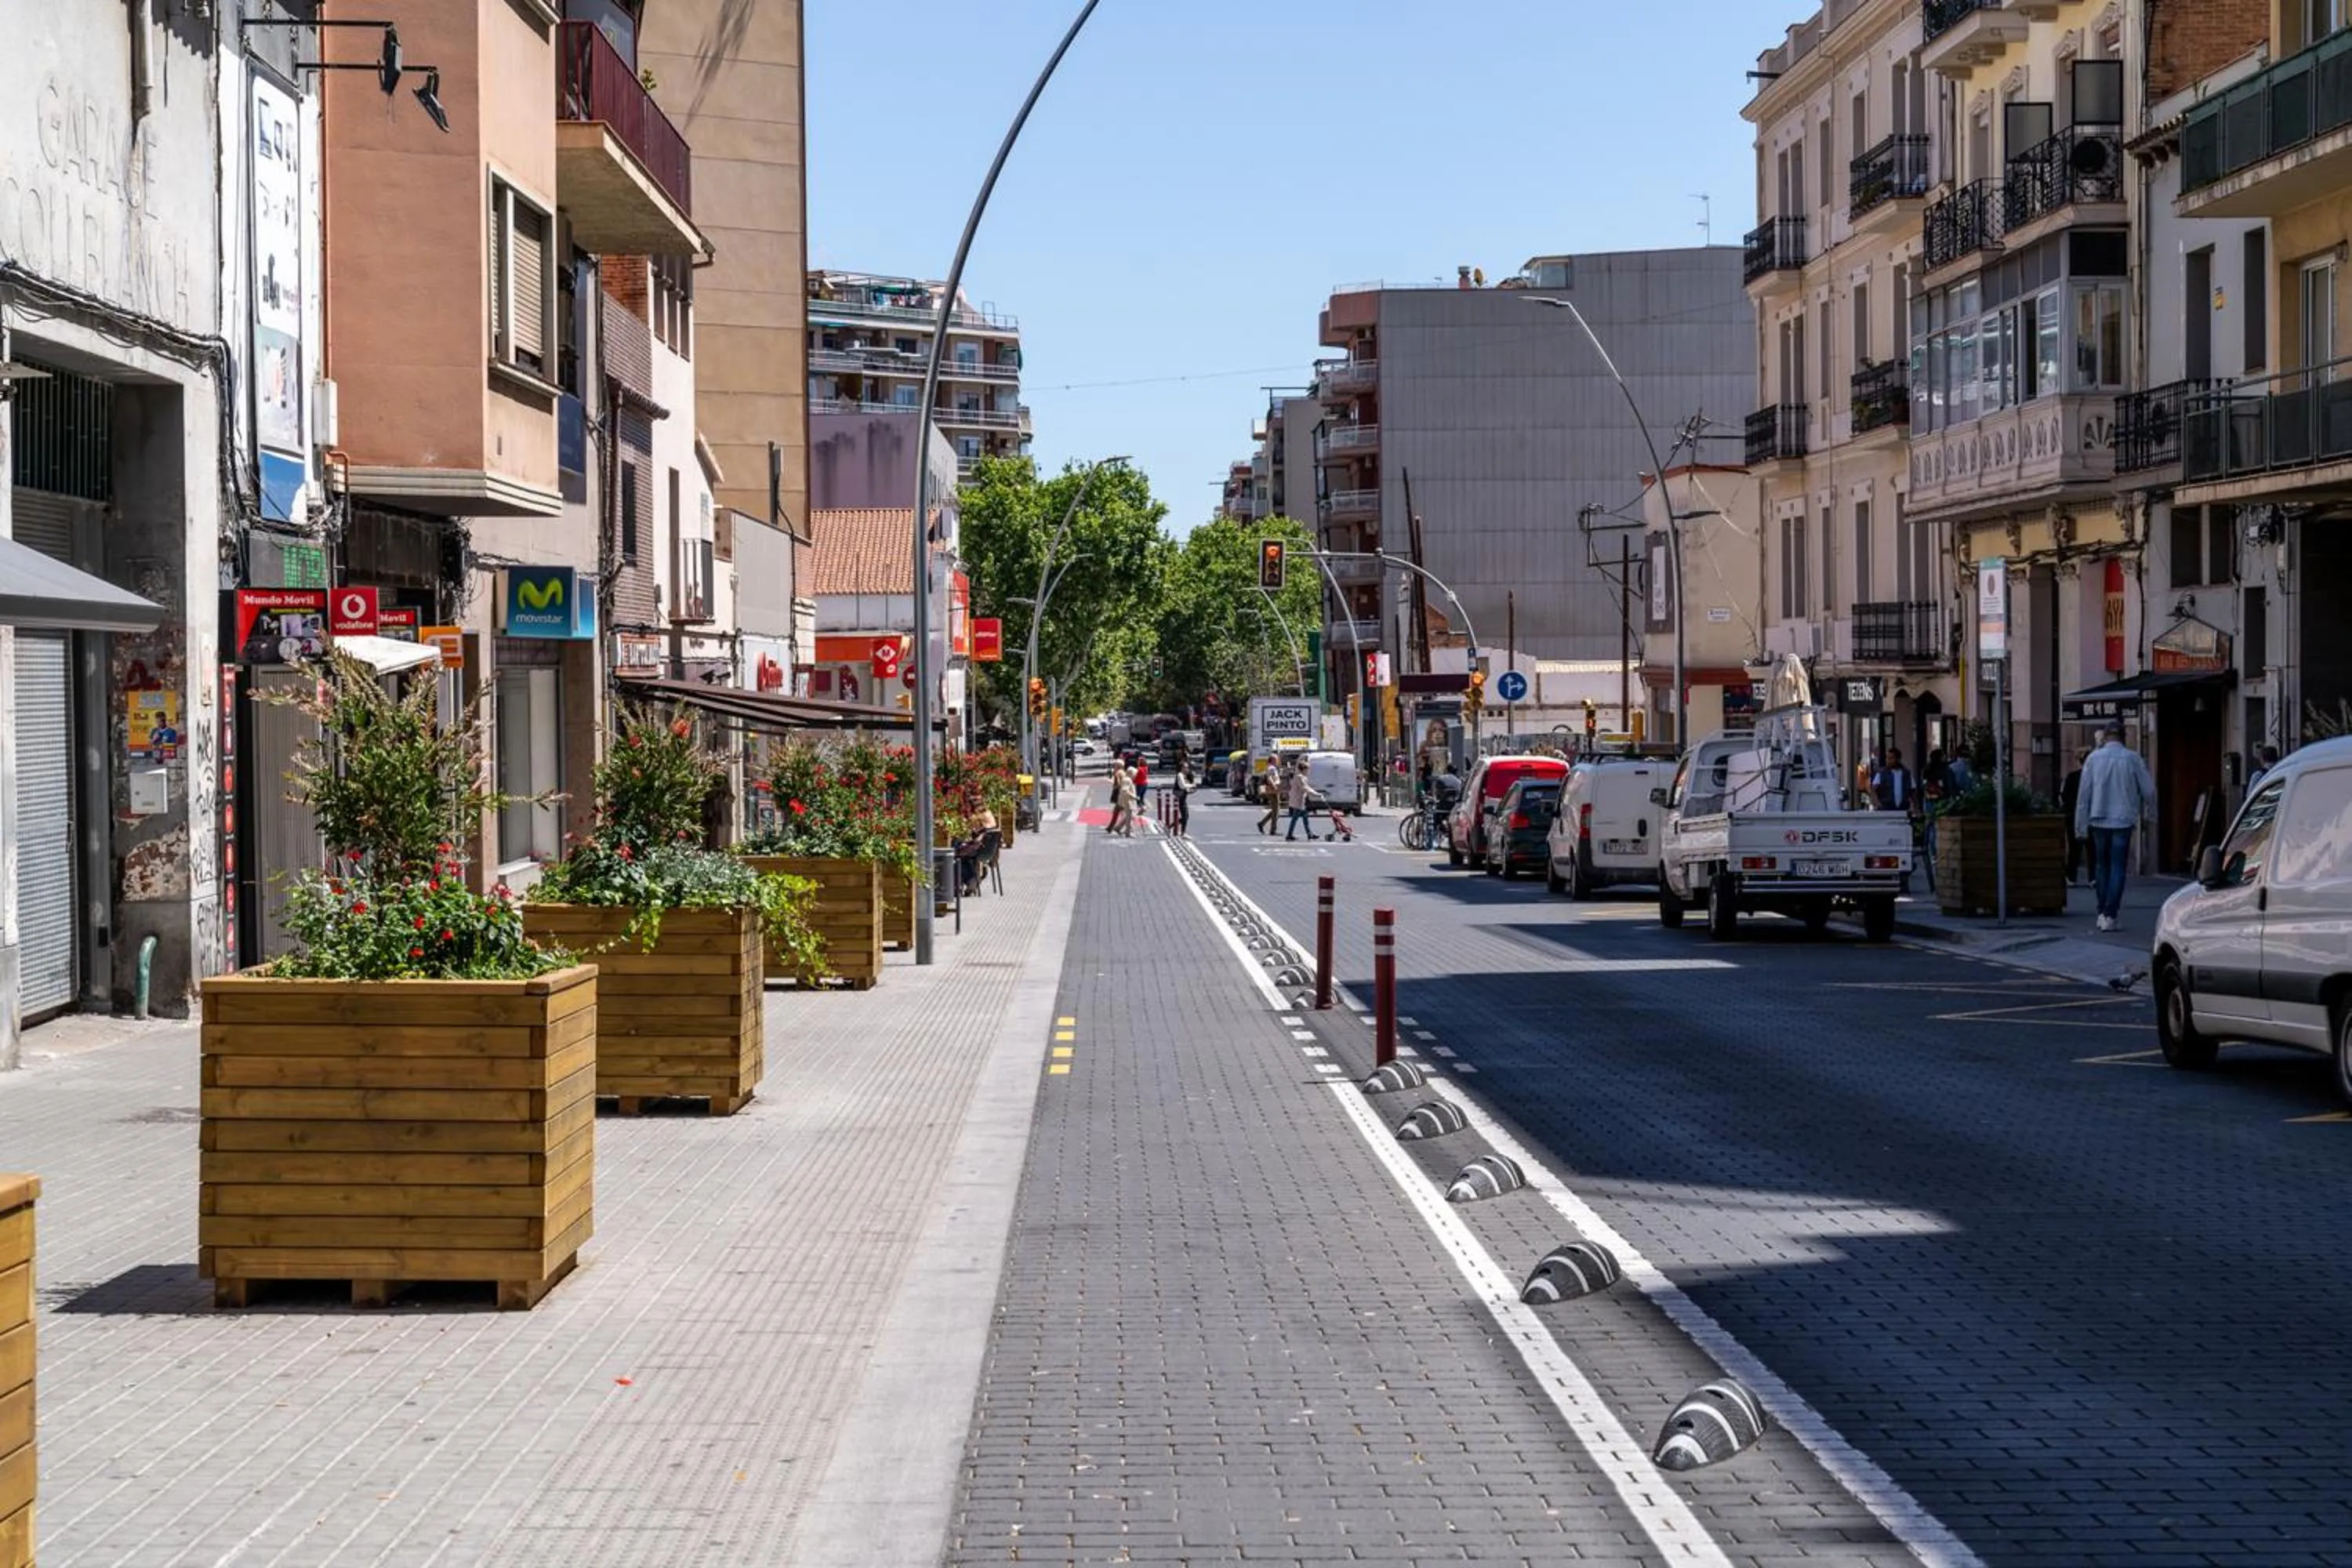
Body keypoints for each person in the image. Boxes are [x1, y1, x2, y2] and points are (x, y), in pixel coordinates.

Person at [2074, 726, 2158, 933]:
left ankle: (2102, 911)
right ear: (2123, 737)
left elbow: (2084, 794)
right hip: (2123, 819)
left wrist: (2081, 825)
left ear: (2105, 738)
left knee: (2101, 866)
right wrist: (2151, 813)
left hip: (2098, 818)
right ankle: (2110, 914)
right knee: (2118, 867)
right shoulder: (2133, 758)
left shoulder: (2093, 759)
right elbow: (2149, 790)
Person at [2059, 750, 2089, 886]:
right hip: (2090, 815)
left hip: (2072, 816)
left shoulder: (2072, 777)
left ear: (2078, 761)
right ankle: (2093, 878)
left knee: (2074, 848)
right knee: (2092, 848)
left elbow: (2065, 796)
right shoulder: (2093, 777)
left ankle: (2071, 877)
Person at [1283, 761, 1319, 841]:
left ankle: (1309, 834)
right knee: (1296, 818)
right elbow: (1305, 788)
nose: (1308, 771)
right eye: (1307, 769)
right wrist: (1316, 794)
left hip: (1300, 800)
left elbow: (1307, 787)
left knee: (1304, 817)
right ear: (1304, 769)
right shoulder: (1300, 777)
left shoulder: (1302, 777)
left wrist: (1315, 793)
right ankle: (1290, 835)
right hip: (1298, 800)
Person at [1107, 761, 1135, 837]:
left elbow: (1118, 784)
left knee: (1125, 813)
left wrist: (1114, 785)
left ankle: (1125, 829)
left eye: (1115, 765)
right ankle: (1115, 828)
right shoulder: (1123, 772)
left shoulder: (1118, 773)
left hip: (1120, 794)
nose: (1114, 766)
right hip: (1122, 795)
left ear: (1118, 766)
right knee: (1122, 812)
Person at [1256, 765, 1281, 836]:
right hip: (1272, 790)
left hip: (1274, 790)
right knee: (1276, 811)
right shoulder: (1271, 768)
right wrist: (1274, 786)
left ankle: (1262, 824)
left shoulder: (1273, 767)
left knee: (1276, 811)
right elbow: (1270, 778)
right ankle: (1273, 830)